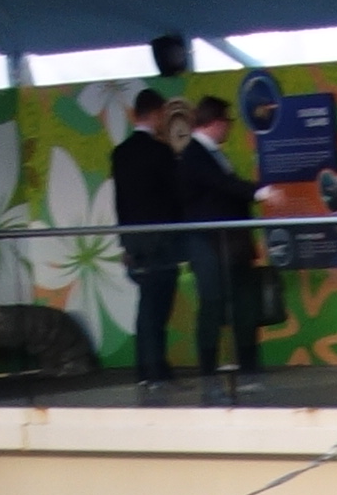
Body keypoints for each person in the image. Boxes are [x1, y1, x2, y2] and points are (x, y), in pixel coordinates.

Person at [175, 94, 262, 389]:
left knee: (242, 305)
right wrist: (259, 192)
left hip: (227, 242)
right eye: (227, 122)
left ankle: (246, 370)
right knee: (213, 304)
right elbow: (223, 186)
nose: (230, 128)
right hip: (209, 243)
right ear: (215, 122)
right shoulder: (196, 155)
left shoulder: (209, 153)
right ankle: (209, 372)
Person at [108, 89, 185, 385]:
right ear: (155, 114)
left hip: (134, 241)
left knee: (146, 306)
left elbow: (121, 202)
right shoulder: (161, 152)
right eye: (163, 114)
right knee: (158, 309)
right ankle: (156, 370)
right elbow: (175, 197)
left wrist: (125, 242)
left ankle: (146, 370)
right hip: (162, 242)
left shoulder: (121, 153)